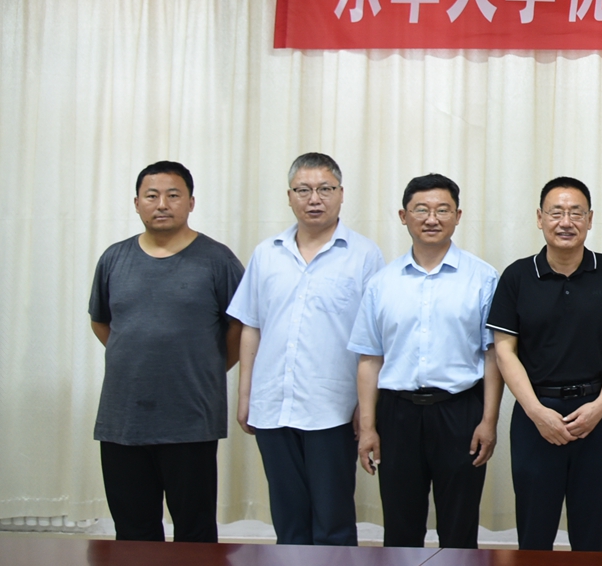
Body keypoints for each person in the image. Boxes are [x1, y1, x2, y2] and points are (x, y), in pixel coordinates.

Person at [228, 153, 384, 545]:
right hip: (273, 404)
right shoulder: (267, 253)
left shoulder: (365, 255)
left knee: (332, 520)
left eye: (325, 189)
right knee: (288, 519)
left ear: (341, 194)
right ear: (289, 196)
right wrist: (245, 395)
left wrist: (366, 409)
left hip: (333, 409)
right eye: (303, 190)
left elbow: (374, 340)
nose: (314, 199)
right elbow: (251, 327)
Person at [87, 161, 244, 542]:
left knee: (195, 532)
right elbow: (102, 322)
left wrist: (204, 366)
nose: (162, 204)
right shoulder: (114, 259)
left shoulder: (218, 260)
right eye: (152, 195)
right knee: (133, 532)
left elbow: (240, 329)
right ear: (136, 203)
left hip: (190, 418)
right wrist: (142, 361)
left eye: (173, 195)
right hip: (124, 420)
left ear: (191, 202)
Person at [490, 176, 602, 552]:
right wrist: (536, 412)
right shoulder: (517, 276)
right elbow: (504, 350)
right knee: (534, 530)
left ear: (590, 219)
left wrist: (601, 405)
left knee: (590, 532)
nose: (566, 221)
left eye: (576, 212)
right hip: (536, 414)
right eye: (556, 212)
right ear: (539, 218)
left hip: (596, 413)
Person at [348, 173, 500, 549]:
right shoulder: (382, 283)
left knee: (459, 527)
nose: (432, 218)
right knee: (401, 528)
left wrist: (488, 421)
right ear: (404, 216)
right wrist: (368, 428)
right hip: (397, 414)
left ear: (458, 216)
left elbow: (493, 355)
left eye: (442, 210)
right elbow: (369, 358)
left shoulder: (483, 278)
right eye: (421, 210)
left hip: (460, 412)